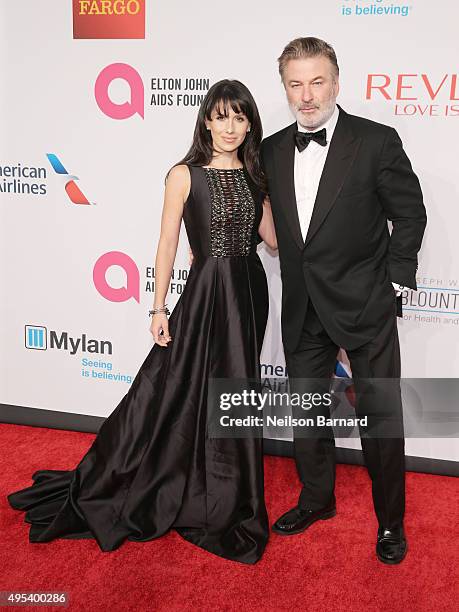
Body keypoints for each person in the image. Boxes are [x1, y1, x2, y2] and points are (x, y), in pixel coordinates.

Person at [7, 79, 278, 565]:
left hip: (248, 293)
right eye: (221, 116)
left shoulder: (257, 176)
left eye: (240, 117)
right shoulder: (183, 174)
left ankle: (227, 488)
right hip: (204, 291)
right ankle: (170, 478)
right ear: (206, 121)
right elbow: (168, 245)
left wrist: (280, 198)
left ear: (250, 123)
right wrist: (157, 308)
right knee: (175, 387)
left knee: (234, 388)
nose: (230, 127)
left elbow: (274, 241)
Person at [260, 37, 427, 564]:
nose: (306, 96)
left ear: (336, 81)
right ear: (284, 87)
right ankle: (317, 499)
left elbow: (411, 213)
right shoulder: (270, 149)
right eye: (295, 84)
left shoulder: (376, 141)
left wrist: (394, 284)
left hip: (364, 305)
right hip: (303, 308)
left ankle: (390, 523)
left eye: (316, 82)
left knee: (379, 418)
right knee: (309, 415)